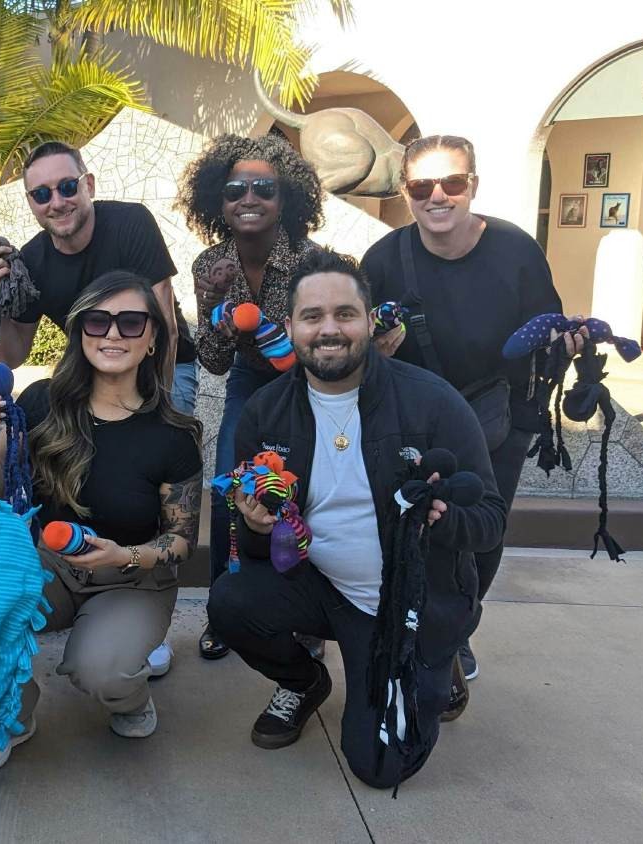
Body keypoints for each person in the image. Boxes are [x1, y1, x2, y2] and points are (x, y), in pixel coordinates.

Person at [206, 250, 506, 790]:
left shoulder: (432, 403)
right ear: (291, 327)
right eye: (312, 316)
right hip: (319, 586)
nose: (329, 330)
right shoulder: (265, 412)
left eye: (345, 314)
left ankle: (433, 663)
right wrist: (252, 526)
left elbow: (489, 519)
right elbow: (255, 555)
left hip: (404, 603)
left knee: (380, 767)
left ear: (370, 321)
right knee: (231, 601)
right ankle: (303, 682)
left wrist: (442, 520)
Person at [0, 271, 202, 773]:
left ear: (153, 336)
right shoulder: (41, 402)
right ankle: (14, 710)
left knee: (103, 672)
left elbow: (180, 541)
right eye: (98, 321)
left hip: (132, 579)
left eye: (130, 322)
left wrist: (125, 555)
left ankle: (129, 696)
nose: (112, 334)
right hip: (51, 568)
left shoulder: (173, 434)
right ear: (80, 332)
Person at [361, 135, 568, 703]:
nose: (438, 196)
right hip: (413, 415)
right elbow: (357, 342)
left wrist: (565, 345)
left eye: (452, 183)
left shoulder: (514, 249)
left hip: (495, 413)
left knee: (481, 531)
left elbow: (547, 327)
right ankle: (411, 624)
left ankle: (455, 632)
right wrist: (376, 347)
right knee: (408, 525)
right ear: (406, 192)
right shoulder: (383, 259)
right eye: (423, 186)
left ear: (472, 185)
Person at [177, 133, 324, 660]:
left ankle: (307, 616)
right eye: (235, 188)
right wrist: (214, 301)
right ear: (219, 200)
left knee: (304, 492)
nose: (249, 197)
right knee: (227, 492)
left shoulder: (312, 260)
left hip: (307, 386)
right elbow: (214, 362)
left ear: (286, 199)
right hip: (248, 381)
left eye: (264, 187)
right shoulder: (209, 263)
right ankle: (226, 610)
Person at [0, 141, 199, 414]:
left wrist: (159, 413)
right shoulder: (33, 261)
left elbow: (168, 330)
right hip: (94, 375)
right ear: (30, 202)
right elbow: (12, 358)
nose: (57, 203)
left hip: (166, 365)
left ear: (89, 186)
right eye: (41, 194)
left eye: (68, 187)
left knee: (164, 440)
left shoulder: (131, 224)